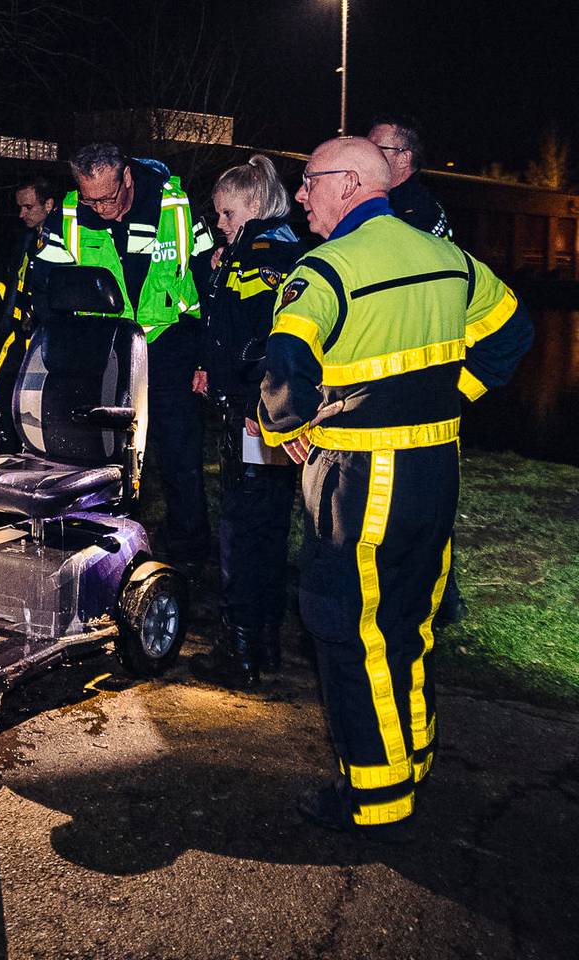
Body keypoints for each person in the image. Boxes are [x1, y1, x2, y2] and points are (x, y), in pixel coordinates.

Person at [259, 137, 532, 841]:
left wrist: (282, 428)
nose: (300, 196)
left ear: (348, 185)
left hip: (359, 482)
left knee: (349, 628)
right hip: (437, 475)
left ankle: (376, 798)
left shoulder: (325, 268)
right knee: (409, 622)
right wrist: (451, 396)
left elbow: (284, 366)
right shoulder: (449, 258)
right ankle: (414, 758)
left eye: (310, 182)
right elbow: (510, 336)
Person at [33, 142, 212, 570]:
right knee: (99, 459)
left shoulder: (177, 207)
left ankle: (189, 562)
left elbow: (208, 285)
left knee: (179, 461)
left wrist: (206, 357)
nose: (100, 208)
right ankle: (102, 555)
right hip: (104, 354)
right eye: (90, 197)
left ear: (127, 177)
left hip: (170, 348)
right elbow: (45, 292)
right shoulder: (69, 219)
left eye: (108, 197)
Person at [189, 155, 304, 689]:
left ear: (253, 205)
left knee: (241, 523)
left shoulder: (261, 255)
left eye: (226, 213)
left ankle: (238, 650)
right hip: (267, 410)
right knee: (270, 524)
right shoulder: (272, 249)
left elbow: (266, 339)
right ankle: (265, 641)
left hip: (254, 413)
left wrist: (259, 405)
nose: (219, 224)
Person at [368, 114, 470, 629]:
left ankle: (436, 598)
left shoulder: (414, 211)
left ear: (403, 159)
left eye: (376, 147)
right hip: (410, 371)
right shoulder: (398, 208)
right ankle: (426, 594)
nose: (367, 154)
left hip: (419, 370)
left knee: (419, 499)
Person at [0, 177, 56, 431]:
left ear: (48, 204)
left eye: (28, 207)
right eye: (20, 207)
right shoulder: (26, 240)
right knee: (0, 399)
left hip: (45, 340)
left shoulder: (63, 240)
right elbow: (13, 282)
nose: (21, 214)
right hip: (17, 335)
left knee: (34, 408)